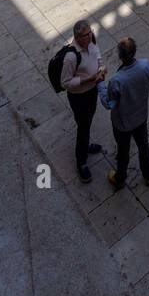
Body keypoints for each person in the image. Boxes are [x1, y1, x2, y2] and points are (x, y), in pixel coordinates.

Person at [98, 36, 149, 189]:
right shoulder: (146, 66)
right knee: (143, 145)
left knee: (123, 152)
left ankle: (120, 177)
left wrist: (100, 83)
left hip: (122, 123)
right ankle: (148, 174)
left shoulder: (117, 80)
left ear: (120, 56)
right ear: (135, 51)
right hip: (141, 116)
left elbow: (108, 103)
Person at [60, 20, 105, 184]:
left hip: (92, 91)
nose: (90, 35)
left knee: (88, 121)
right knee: (83, 126)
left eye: (90, 32)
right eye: (87, 34)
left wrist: (100, 69)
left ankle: (86, 146)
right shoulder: (71, 57)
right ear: (78, 37)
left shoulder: (91, 42)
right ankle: (81, 161)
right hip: (79, 97)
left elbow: (97, 55)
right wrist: (86, 79)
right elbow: (65, 83)